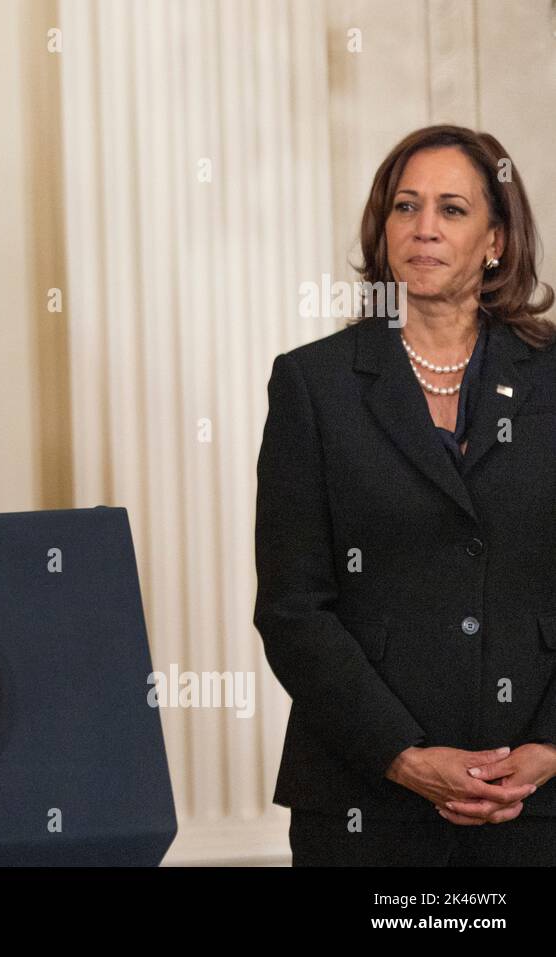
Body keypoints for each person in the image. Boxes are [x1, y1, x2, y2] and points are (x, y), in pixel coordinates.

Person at [254, 125, 556, 865]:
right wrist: (404, 755)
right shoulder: (313, 384)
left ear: (496, 239)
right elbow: (293, 607)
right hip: (363, 802)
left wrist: (550, 744)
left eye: (452, 209)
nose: (424, 228)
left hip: (536, 804)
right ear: (382, 229)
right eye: (405, 207)